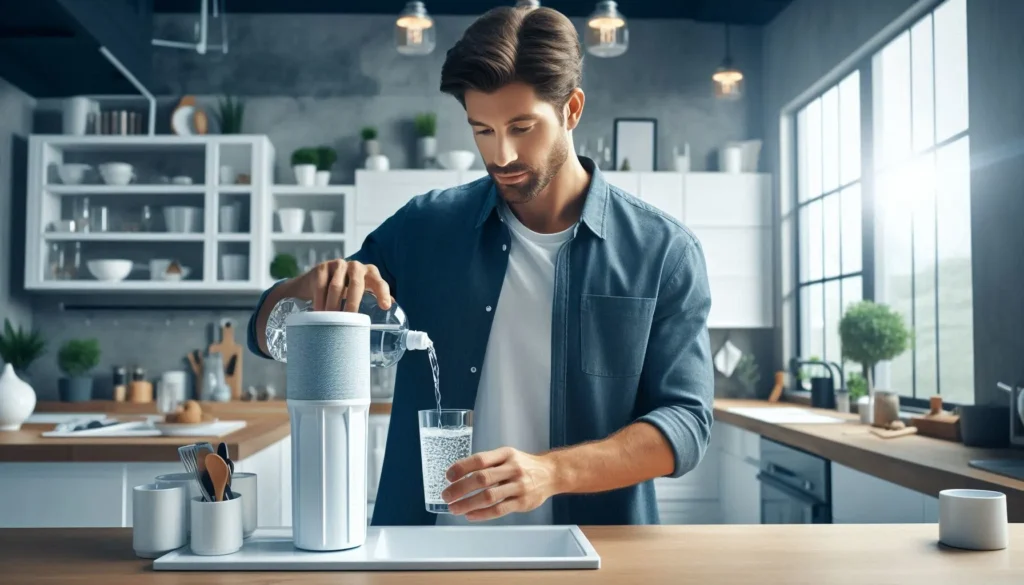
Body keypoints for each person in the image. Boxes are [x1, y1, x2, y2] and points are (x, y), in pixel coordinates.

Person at [247, 6, 714, 526]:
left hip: (591, 553)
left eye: (522, 126)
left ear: (572, 110)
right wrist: (309, 287)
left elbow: (686, 424)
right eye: (482, 130)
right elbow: (269, 336)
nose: (503, 154)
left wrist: (551, 473)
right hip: (424, 552)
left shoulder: (664, 252)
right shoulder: (423, 227)